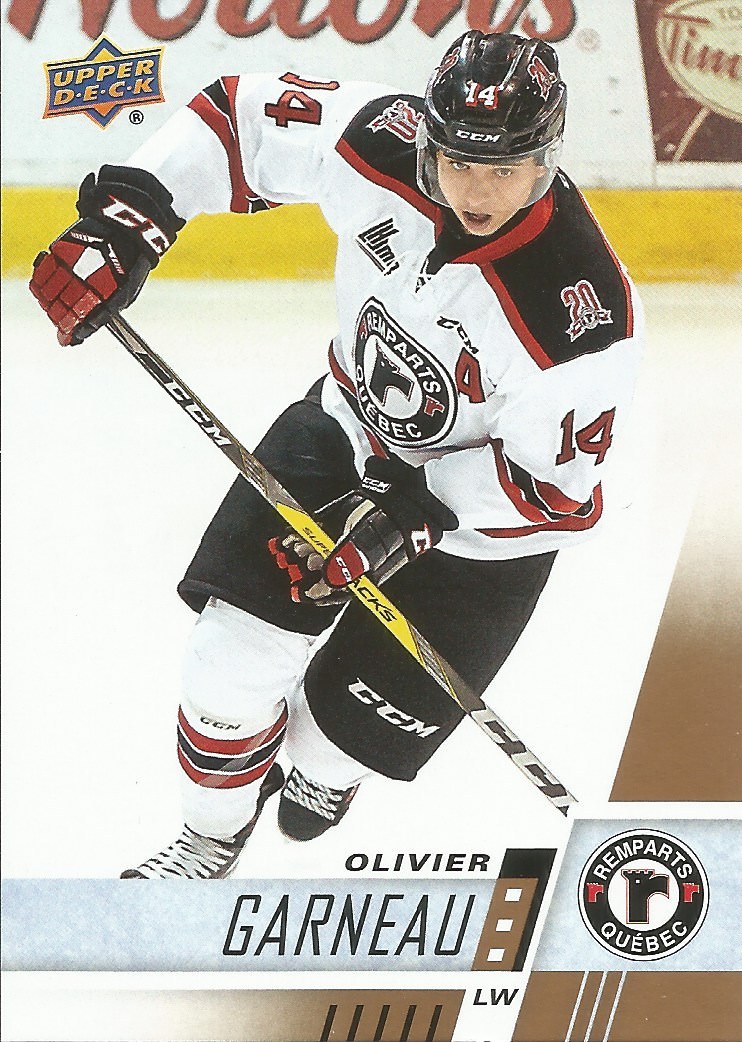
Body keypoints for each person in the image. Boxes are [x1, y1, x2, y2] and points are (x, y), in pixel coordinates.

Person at [30, 31, 643, 878]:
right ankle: (208, 840)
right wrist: (125, 226)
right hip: (345, 436)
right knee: (228, 668)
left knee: (335, 741)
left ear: (547, 160)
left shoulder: (581, 314)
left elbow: (553, 491)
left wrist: (409, 518)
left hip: (479, 537)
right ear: (427, 136)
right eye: (459, 161)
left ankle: (327, 769)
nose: (476, 190)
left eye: (504, 169)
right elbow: (236, 119)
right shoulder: (378, 141)